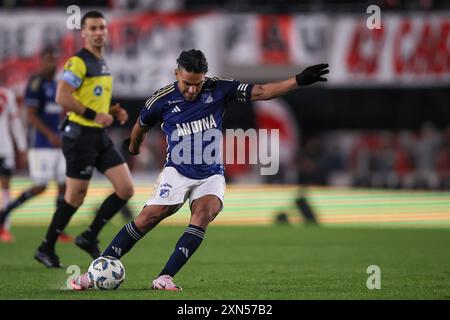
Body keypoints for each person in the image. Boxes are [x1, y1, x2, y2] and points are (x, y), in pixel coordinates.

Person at [71, 49, 329, 291]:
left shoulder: (220, 89)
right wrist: (134, 147)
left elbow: (261, 91)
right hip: (177, 171)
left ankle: (165, 277)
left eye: (197, 83)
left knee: (205, 212)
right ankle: (94, 273)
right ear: (176, 74)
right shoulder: (161, 100)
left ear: (204, 77)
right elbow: (140, 125)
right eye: (187, 83)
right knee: (150, 216)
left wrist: (298, 80)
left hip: (210, 173)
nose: (192, 89)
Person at [34, 10, 134, 268]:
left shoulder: (101, 61)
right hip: (79, 136)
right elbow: (62, 96)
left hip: (98, 135)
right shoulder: (78, 62)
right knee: (75, 197)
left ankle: (89, 236)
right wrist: (94, 114)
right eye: (93, 28)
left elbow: (93, 97)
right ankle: (46, 247)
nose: (99, 32)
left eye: (102, 27)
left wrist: (112, 110)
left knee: (125, 189)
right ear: (84, 33)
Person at [0, 48, 74, 243]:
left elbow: (59, 112)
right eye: (49, 60)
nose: (53, 64)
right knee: (40, 186)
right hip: (41, 145)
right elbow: (30, 114)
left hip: (58, 144)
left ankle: (58, 230)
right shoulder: (36, 82)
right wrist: (50, 135)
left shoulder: (57, 84)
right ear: (41, 61)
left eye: (55, 60)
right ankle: (5, 212)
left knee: (63, 185)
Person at [0, 86, 27, 241]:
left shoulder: (6, 93)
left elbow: (16, 122)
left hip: (4, 148)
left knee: (5, 187)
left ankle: (4, 227)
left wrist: (22, 147)